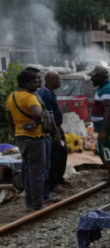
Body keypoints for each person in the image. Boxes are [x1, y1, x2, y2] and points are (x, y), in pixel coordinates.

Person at [6, 71, 45, 211]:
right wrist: (36, 124)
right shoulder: (30, 97)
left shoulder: (11, 97)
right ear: (26, 84)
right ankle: (37, 205)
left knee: (28, 172)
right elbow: (37, 113)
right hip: (34, 138)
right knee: (37, 173)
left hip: (21, 138)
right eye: (34, 82)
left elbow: (10, 119)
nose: (37, 84)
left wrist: (17, 132)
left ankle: (29, 203)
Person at [24, 67, 61, 204]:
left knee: (38, 168)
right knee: (39, 170)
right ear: (27, 82)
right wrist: (38, 126)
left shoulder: (35, 94)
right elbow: (41, 114)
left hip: (36, 135)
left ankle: (36, 199)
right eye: (36, 79)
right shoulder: (32, 96)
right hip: (38, 136)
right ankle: (40, 200)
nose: (39, 82)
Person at [89, 66, 110, 193]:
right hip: (105, 126)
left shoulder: (107, 89)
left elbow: (108, 112)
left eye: (94, 76)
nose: (92, 78)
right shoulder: (104, 87)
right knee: (102, 152)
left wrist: (103, 131)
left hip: (108, 127)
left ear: (102, 77)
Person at [38, 71, 69, 192]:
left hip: (57, 127)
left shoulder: (50, 93)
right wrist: (56, 133)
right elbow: (49, 117)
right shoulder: (45, 94)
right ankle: (53, 183)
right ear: (51, 81)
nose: (60, 82)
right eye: (58, 80)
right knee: (54, 155)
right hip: (52, 128)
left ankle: (59, 177)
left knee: (62, 152)